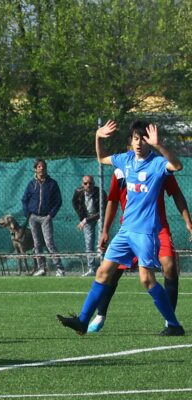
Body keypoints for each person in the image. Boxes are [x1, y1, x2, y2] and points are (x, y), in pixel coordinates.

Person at [58, 120, 185, 336]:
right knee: (102, 272)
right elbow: (101, 157)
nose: (138, 143)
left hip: (146, 233)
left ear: (149, 142)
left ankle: (173, 325)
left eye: (143, 139)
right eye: (136, 138)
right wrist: (97, 136)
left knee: (146, 279)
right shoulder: (125, 160)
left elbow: (178, 166)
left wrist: (159, 145)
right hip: (125, 232)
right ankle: (82, 320)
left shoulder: (156, 163)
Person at [86, 165, 192, 333]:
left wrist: (188, 222)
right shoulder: (121, 172)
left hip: (158, 228)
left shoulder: (158, 167)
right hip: (130, 230)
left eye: (142, 142)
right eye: (135, 142)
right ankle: (100, 315)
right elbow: (112, 200)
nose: (138, 147)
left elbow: (177, 193)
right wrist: (105, 229)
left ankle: (170, 322)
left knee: (170, 267)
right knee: (112, 273)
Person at [21, 159, 65, 276]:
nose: (41, 169)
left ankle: (60, 268)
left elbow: (58, 201)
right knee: (37, 243)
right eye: (39, 167)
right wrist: (28, 214)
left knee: (49, 243)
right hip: (33, 217)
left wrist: (51, 215)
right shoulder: (31, 184)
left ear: (46, 169)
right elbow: (25, 200)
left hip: (46, 217)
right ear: (35, 169)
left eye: (43, 167)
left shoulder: (52, 184)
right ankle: (41, 268)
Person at [71, 175, 107, 276]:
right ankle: (91, 268)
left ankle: (104, 266)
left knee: (101, 243)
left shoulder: (100, 193)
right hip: (87, 219)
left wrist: (85, 220)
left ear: (94, 184)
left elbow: (103, 211)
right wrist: (82, 217)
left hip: (99, 217)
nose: (88, 185)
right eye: (86, 183)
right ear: (82, 184)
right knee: (89, 242)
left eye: (90, 183)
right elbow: (74, 202)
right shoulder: (78, 192)